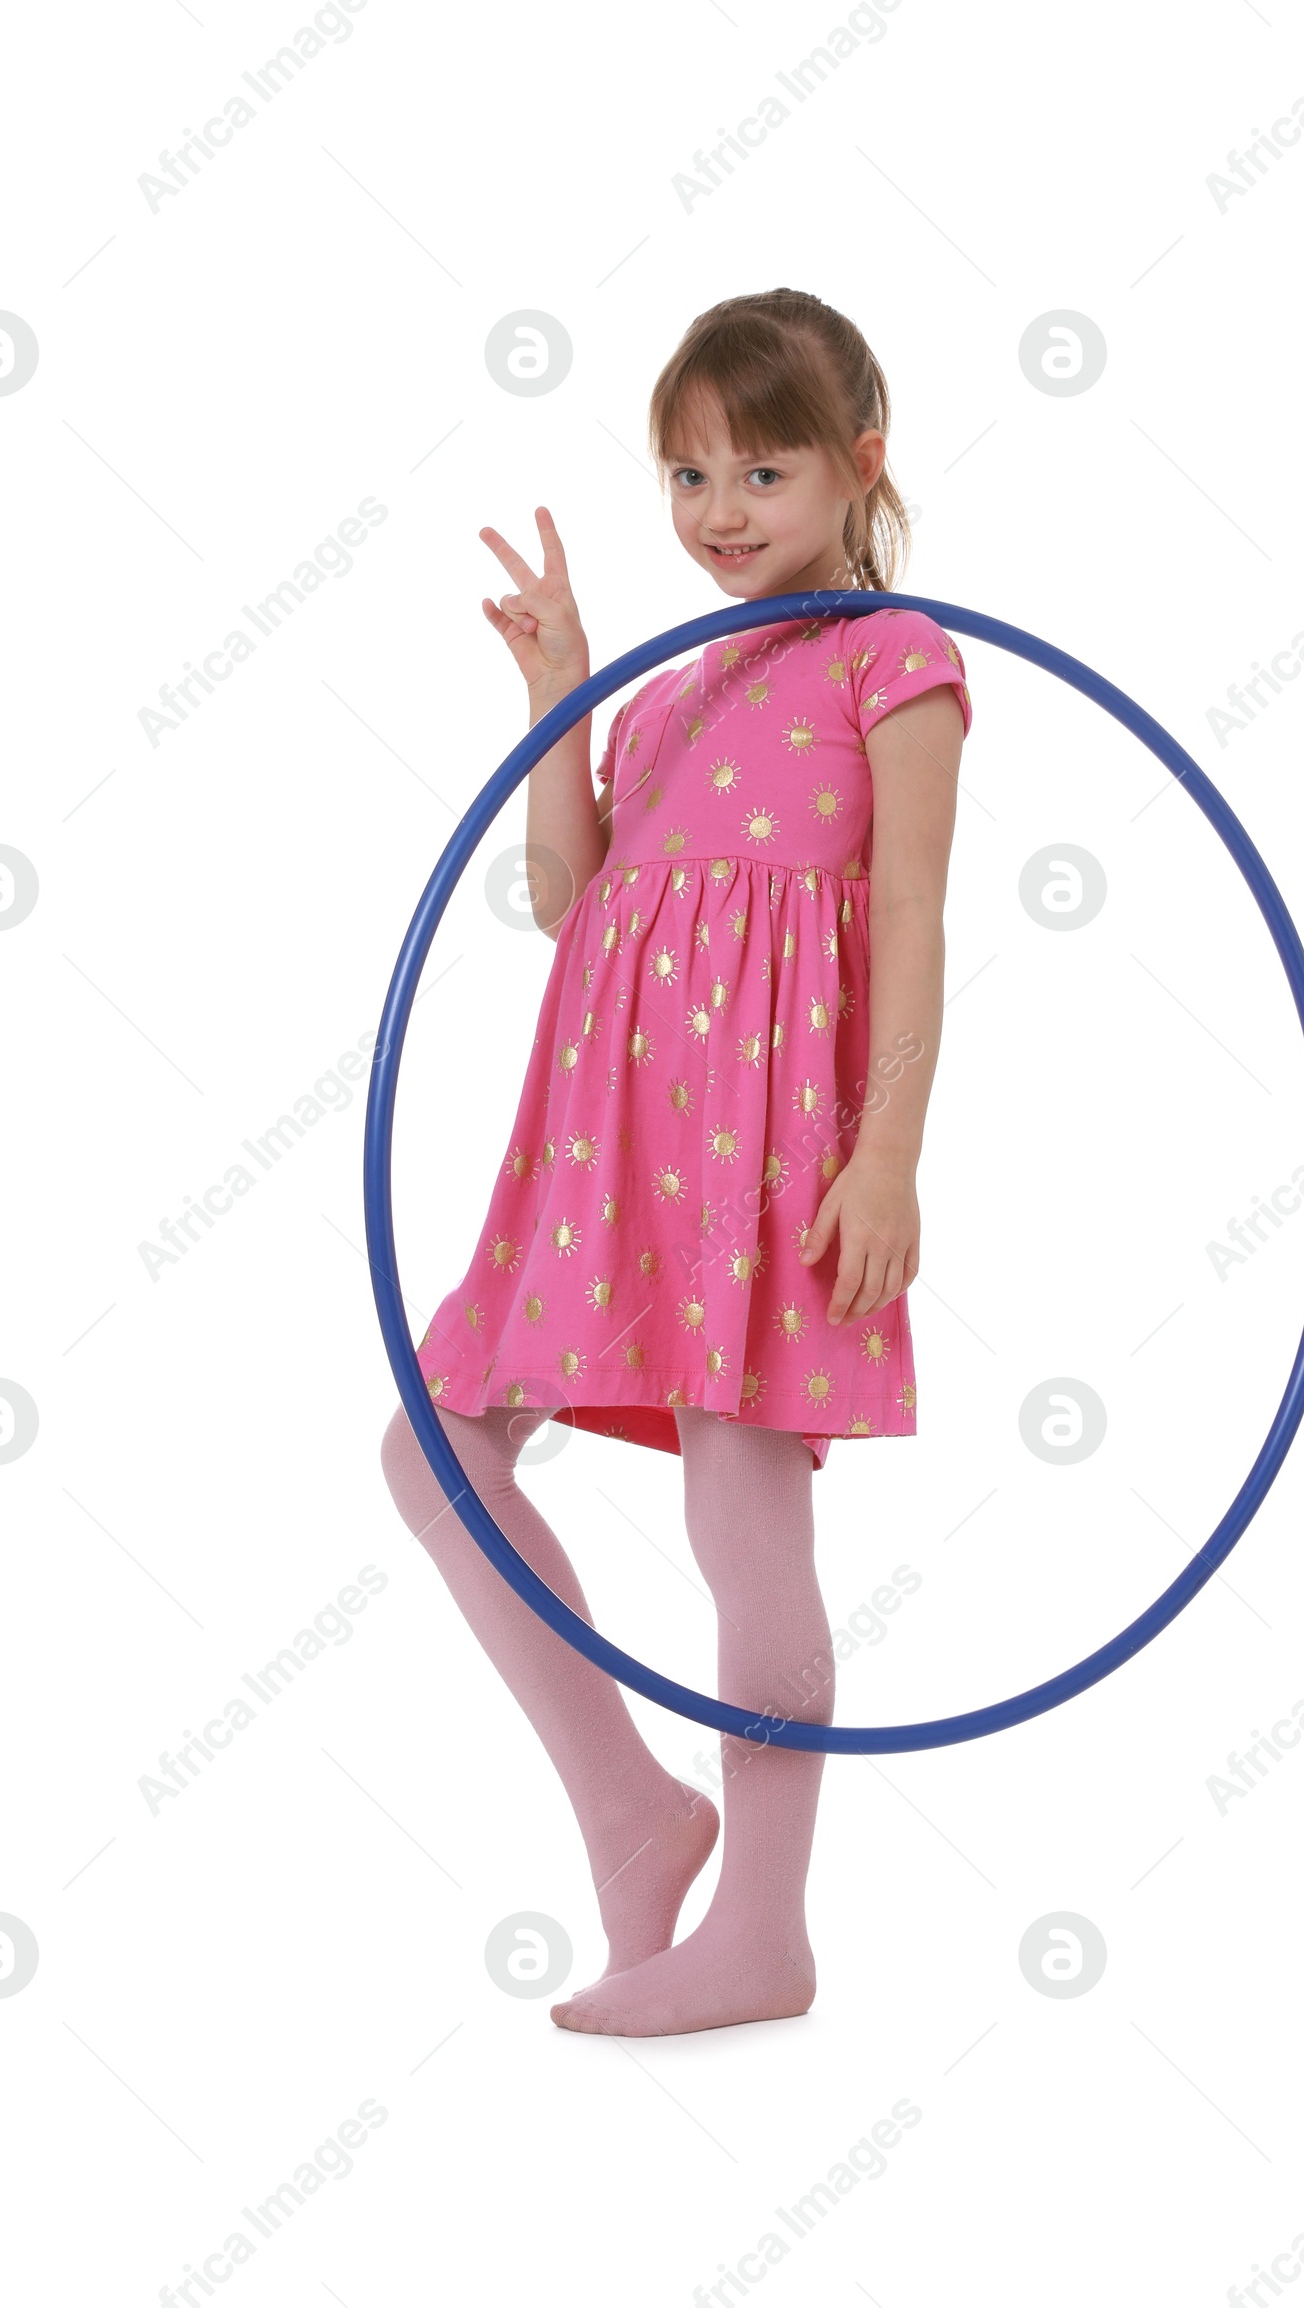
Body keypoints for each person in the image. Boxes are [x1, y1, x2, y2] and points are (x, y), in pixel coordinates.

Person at [380, 287, 971, 2037]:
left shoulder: (897, 657)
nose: (718, 509)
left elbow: (921, 919)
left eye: (762, 468)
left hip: (773, 1154)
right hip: (603, 1146)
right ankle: (631, 1812)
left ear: (862, 463)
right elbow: (573, 899)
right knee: (436, 1455)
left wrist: (889, 1158)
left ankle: (765, 1930)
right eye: (688, 471)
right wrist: (563, 693)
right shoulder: (668, 689)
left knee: (738, 1505)